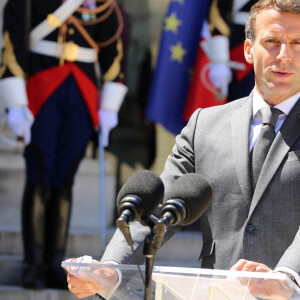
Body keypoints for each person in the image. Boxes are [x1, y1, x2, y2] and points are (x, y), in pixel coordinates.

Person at [67, 0, 300, 298]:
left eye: (296, 43)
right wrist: (112, 268)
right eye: (272, 41)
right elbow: (159, 207)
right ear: (248, 50)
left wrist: (288, 276)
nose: (284, 55)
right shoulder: (205, 124)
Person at [0, 0, 127, 290]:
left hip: (81, 92)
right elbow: (13, 43)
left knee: (65, 176)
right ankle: (33, 263)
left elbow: (112, 50)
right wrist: (17, 102)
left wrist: (109, 105)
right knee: (40, 172)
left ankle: (55, 261)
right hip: (42, 88)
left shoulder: (103, 4)